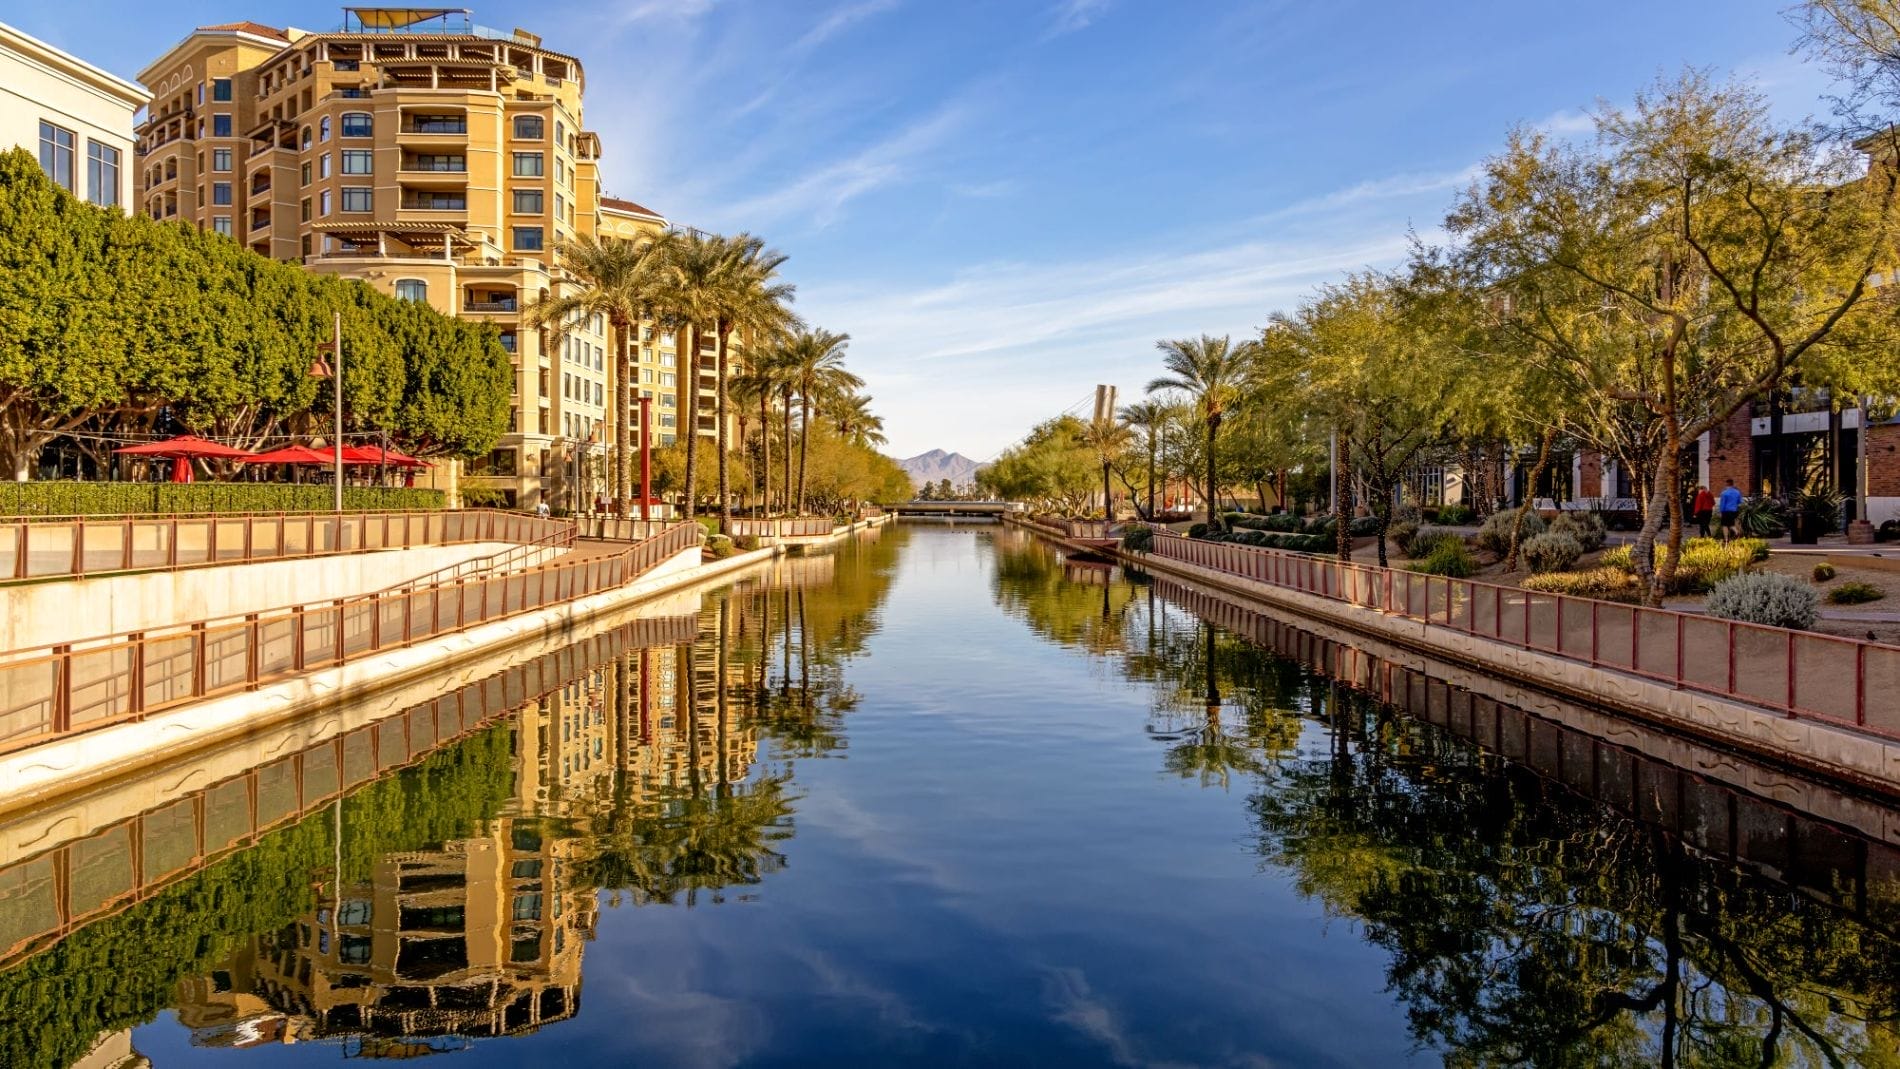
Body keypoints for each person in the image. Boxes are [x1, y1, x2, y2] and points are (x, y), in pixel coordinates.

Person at [1717, 478, 1743, 543]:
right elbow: (1740, 502)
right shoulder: (1737, 492)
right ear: (1732, 484)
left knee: (1725, 525)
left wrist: (1721, 512)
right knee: (1731, 523)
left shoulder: (1724, 493)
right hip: (1734, 510)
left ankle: (1727, 539)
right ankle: (1735, 533)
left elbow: (1723, 503)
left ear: (1726, 484)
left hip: (1726, 511)